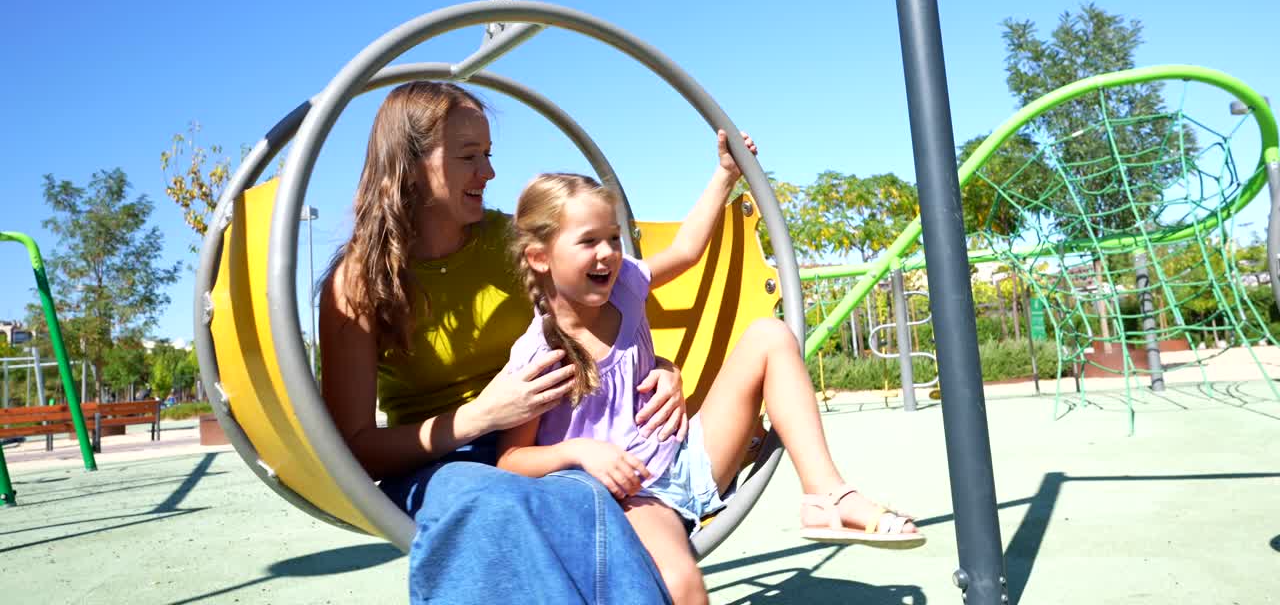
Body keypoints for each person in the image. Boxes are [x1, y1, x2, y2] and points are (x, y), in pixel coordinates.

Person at [495, 136, 925, 604]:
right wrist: (579, 452)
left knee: (769, 335)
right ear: (539, 257)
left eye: (613, 239)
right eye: (588, 242)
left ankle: (826, 496)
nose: (608, 253)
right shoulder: (539, 354)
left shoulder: (626, 287)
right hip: (631, 495)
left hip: (686, 457)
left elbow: (686, 251)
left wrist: (725, 174)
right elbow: (510, 461)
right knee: (682, 584)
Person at [318, 81, 684, 604]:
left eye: (488, 155)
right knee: (483, 499)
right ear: (411, 165)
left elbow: (602, 318)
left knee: (590, 494)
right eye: (469, 157)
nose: (488, 173)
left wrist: (665, 366)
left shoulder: (511, 243)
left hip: (538, 444)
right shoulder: (359, 283)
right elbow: (353, 450)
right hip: (436, 463)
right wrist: (480, 417)